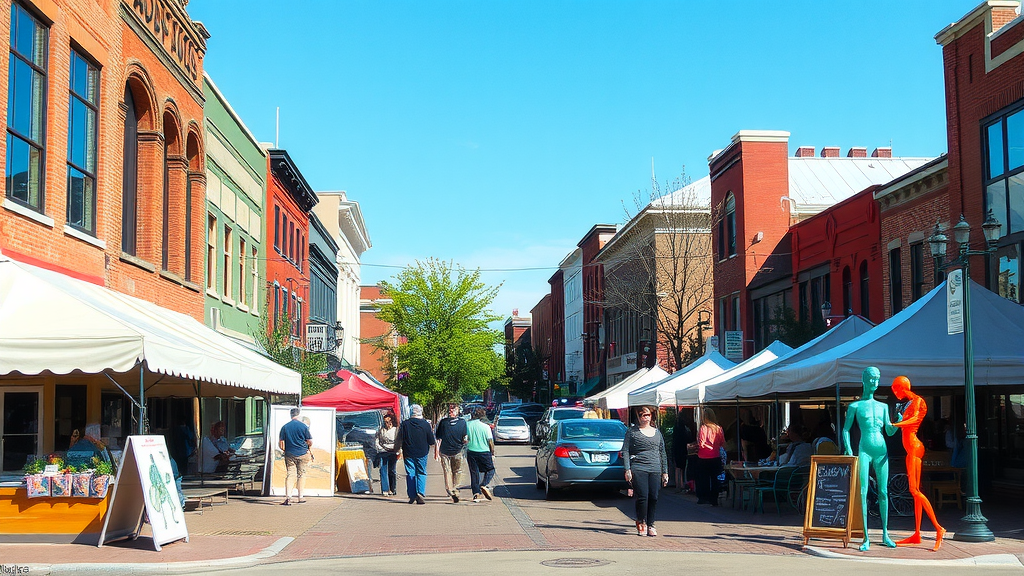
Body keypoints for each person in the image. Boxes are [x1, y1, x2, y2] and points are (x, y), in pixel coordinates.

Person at [842, 366, 898, 551]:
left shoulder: (883, 406)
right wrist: (848, 448)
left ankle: (885, 533)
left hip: (881, 450)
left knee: (883, 492)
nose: (875, 382)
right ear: (864, 380)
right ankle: (866, 536)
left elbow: (889, 431)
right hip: (864, 450)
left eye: (877, 379)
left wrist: (898, 422)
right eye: (872, 379)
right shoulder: (855, 406)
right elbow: (845, 429)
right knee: (863, 492)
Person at [892, 376, 945, 551]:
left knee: (915, 490)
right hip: (910, 450)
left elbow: (915, 420)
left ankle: (938, 528)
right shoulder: (907, 404)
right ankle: (916, 533)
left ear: (901, 387)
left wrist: (896, 423)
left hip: (915, 448)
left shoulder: (918, 401)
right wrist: (898, 421)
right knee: (914, 492)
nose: (894, 392)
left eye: (895, 389)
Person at [623, 405, 668, 537]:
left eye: (648, 415)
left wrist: (665, 471)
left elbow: (662, 452)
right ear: (638, 417)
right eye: (643, 415)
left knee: (654, 497)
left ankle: (651, 523)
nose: (645, 418)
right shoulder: (632, 432)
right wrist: (627, 469)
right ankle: (642, 521)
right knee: (643, 496)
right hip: (639, 467)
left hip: (655, 468)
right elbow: (625, 450)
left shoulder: (657, 432)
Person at [397, 404, 435, 504]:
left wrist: (397, 449)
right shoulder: (425, 424)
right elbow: (431, 440)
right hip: (422, 452)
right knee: (421, 472)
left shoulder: (405, 424)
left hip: (408, 452)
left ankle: (412, 495)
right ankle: (420, 493)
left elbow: (400, 438)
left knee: (410, 473)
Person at [434, 403, 468, 503]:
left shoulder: (460, 422)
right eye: (451, 409)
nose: (451, 411)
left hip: (456, 451)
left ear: (457, 410)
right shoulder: (445, 422)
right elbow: (438, 438)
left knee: (451, 471)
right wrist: (436, 452)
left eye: (453, 409)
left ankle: (453, 490)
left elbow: (464, 437)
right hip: (447, 452)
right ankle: (453, 490)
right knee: (453, 471)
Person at [279, 407, 313, 506]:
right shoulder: (303, 427)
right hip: (303, 453)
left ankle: (288, 497)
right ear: (299, 415)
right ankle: (300, 496)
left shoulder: (285, 427)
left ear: (291, 415)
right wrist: (307, 446)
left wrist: (285, 450)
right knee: (301, 475)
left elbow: (281, 443)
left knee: (290, 474)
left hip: (289, 454)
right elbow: (309, 441)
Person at [694, 407, 725, 506]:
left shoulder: (703, 428)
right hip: (716, 456)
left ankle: (704, 497)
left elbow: (701, 443)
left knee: (703, 479)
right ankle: (714, 499)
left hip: (703, 457)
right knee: (715, 479)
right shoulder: (718, 428)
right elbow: (722, 443)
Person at [466, 407, 496, 502]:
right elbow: (490, 441)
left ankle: (476, 493)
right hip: (484, 451)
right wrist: (492, 452)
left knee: (474, 472)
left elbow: (465, 439)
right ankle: (484, 484)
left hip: (471, 451)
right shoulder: (485, 426)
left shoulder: (467, 425)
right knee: (490, 469)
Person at [375, 410, 400, 497]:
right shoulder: (381, 431)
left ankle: (392, 489)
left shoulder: (396, 430)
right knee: (383, 470)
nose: (387, 424)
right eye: (385, 422)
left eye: (389, 421)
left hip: (393, 452)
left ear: (392, 421)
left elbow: (399, 441)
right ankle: (385, 489)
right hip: (383, 451)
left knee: (392, 470)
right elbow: (377, 441)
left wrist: (399, 450)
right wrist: (380, 448)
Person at [672, 412, 694, 493]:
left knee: (678, 467)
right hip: (683, 449)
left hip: (677, 448)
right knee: (682, 467)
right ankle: (681, 484)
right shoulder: (684, 428)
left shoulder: (676, 427)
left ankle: (679, 484)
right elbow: (687, 439)